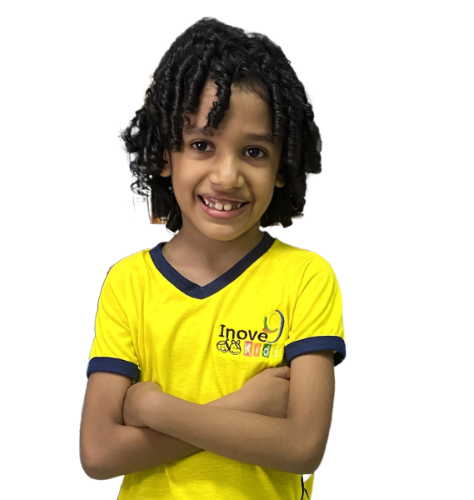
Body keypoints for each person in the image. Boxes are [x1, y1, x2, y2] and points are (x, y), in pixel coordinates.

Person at [80, 16, 346, 500]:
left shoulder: (307, 277)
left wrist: (154, 409)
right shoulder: (129, 281)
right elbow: (98, 454)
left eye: (254, 151)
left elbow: (303, 447)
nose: (227, 176)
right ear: (166, 155)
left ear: (283, 166)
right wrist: (248, 404)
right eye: (202, 145)